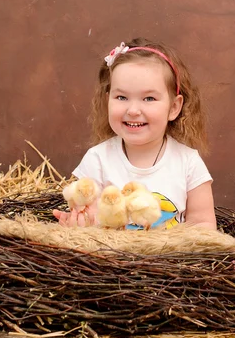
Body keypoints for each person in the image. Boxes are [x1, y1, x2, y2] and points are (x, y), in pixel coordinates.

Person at [53, 37, 217, 230]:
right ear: (108, 101)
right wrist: (80, 223)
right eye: (121, 97)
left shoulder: (188, 163)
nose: (132, 110)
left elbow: (203, 225)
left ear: (174, 107)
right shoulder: (97, 160)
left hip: (170, 258)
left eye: (148, 98)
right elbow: (89, 219)